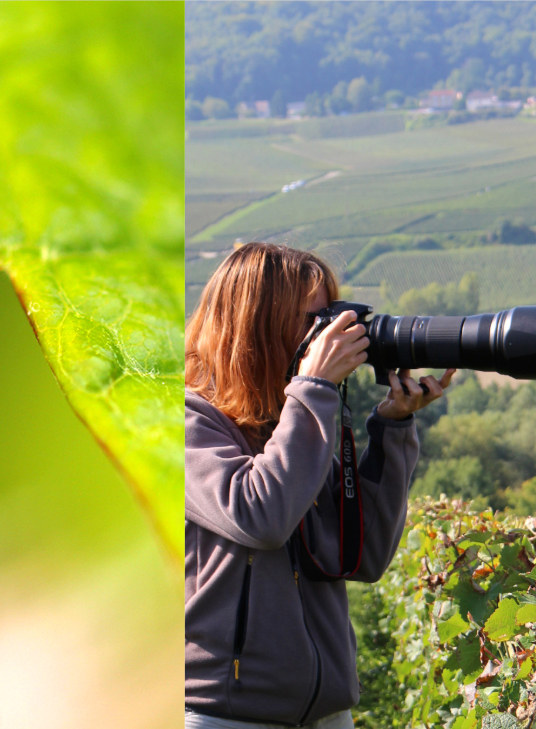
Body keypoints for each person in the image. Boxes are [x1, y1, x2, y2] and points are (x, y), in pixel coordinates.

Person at [183, 243, 454, 728]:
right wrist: (313, 391)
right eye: (314, 320)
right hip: (223, 715)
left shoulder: (287, 427)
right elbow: (261, 517)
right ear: (255, 325)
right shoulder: (187, 422)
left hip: (327, 713)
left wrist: (393, 427)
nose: (329, 334)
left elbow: (363, 556)